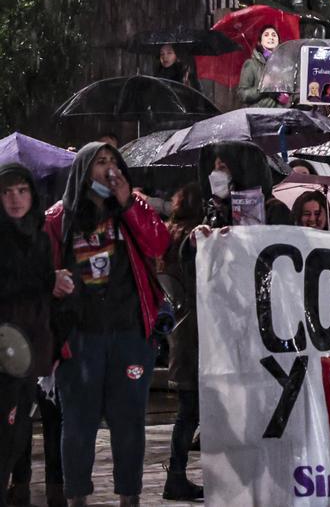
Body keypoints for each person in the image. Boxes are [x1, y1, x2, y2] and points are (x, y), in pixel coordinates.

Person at [43, 142, 170, 507]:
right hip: (79, 338)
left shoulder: (131, 208)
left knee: (129, 422)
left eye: (114, 162)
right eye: (101, 163)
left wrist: (129, 201)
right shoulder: (57, 218)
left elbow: (159, 243)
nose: (109, 169)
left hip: (130, 335)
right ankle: (76, 496)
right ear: (84, 170)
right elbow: (41, 271)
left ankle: (130, 496)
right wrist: (52, 279)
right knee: (79, 424)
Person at [0, 165, 69, 507]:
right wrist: (46, 282)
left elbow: (42, 293)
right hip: (3, 347)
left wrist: (56, 284)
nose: (15, 199)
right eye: (7, 192)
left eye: (21, 190)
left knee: (18, 432)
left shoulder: (40, 236)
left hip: (31, 347)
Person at [160, 183, 204, 502]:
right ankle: (175, 476)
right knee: (190, 411)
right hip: (197, 333)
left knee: (188, 410)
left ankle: (176, 475)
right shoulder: (193, 238)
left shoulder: (167, 234)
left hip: (180, 330)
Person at [236, 26, 285, 109]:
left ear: (278, 41)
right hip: (257, 117)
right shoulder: (251, 64)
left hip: (279, 118)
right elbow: (242, 95)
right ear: (260, 41)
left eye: (274, 35)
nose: (271, 37)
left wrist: (286, 100)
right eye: (266, 35)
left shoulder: (284, 66)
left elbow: (292, 93)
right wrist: (262, 86)